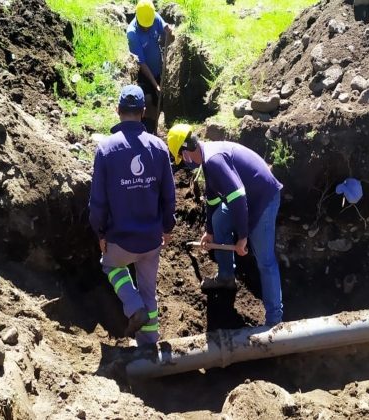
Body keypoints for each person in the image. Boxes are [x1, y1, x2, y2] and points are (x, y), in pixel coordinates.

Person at [166, 124, 284, 326]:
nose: (184, 163)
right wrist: (210, 232)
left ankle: (274, 319)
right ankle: (226, 277)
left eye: (182, 158)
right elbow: (213, 200)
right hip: (247, 198)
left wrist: (243, 237)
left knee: (265, 261)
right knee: (219, 219)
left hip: (263, 198)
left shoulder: (214, 160)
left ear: (185, 153)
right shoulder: (207, 160)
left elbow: (238, 197)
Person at [88, 84, 176, 345]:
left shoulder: (106, 150)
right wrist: (167, 228)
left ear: (118, 111)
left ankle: (133, 306)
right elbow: (169, 196)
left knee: (110, 265)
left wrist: (100, 232)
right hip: (151, 240)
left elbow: (98, 202)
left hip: (121, 239)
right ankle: (149, 347)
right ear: (143, 112)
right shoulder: (159, 148)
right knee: (150, 291)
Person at [127, 0, 174, 134]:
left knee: (158, 104)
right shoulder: (132, 33)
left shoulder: (153, 18)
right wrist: (155, 85)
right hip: (144, 74)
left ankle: (155, 131)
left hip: (158, 70)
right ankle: (145, 132)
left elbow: (169, 39)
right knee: (148, 103)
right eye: (144, 26)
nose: (147, 28)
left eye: (149, 25)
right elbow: (141, 63)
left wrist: (170, 33)